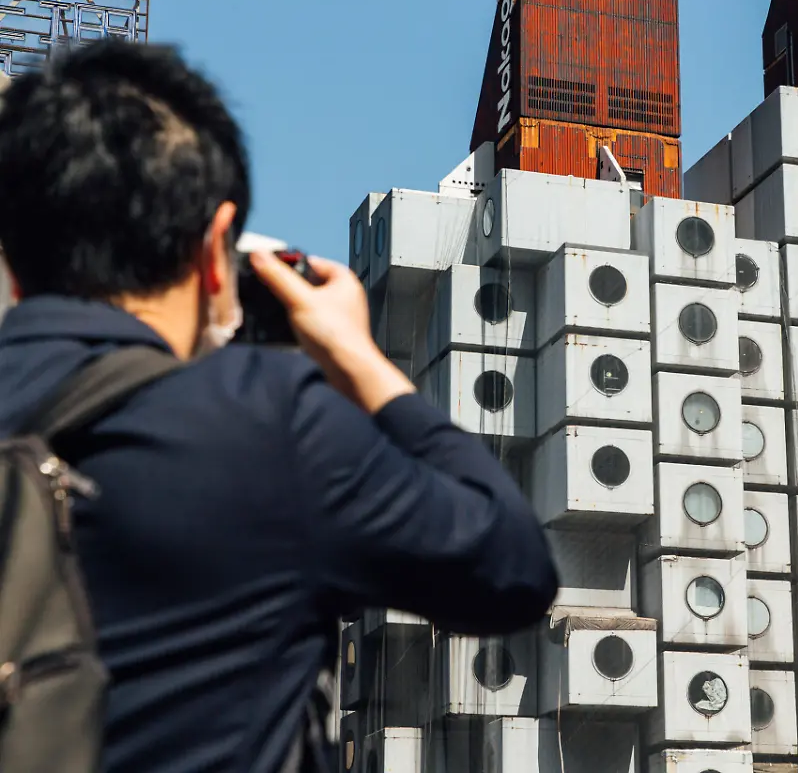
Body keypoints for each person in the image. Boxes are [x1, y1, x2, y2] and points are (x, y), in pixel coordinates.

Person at [0, 40, 558, 772]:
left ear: (15, 266)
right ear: (214, 248)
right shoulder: (265, 423)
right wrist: (358, 359)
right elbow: (512, 567)